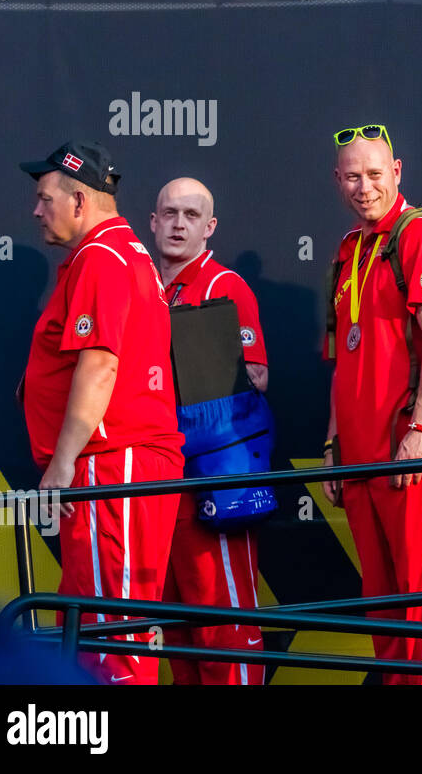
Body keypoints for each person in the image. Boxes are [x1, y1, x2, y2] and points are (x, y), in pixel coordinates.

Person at [19, 141, 183, 685]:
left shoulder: (103, 257)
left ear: (81, 202)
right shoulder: (120, 253)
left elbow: (99, 367)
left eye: (45, 198)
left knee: (115, 635)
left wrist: (62, 464)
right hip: (116, 463)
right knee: (95, 626)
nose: (36, 210)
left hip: (114, 465)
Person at [322, 123, 422, 684]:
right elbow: (342, 361)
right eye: (354, 176)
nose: (365, 187)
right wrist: (334, 444)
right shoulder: (347, 248)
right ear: (338, 180)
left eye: (376, 175)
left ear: (398, 171)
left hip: (411, 453)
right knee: (385, 613)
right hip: (361, 458)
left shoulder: (417, 233)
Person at [151, 177, 267, 685]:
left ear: (209, 226)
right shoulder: (145, 286)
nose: (178, 224)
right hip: (160, 480)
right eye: (170, 213)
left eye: (191, 216)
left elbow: (258, 376)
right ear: (152, 222)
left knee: (225, 627)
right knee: (177, 633)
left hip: (213, 476)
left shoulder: (225, 285)